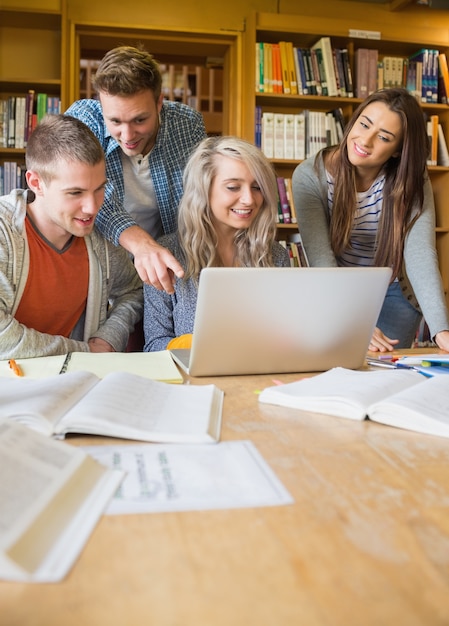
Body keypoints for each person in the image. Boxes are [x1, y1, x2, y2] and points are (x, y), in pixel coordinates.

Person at [292, 87, 449, 353]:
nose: (365, 141)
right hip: (337, 292)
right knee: (337, 371)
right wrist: (352, 321)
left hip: (393, 292)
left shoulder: (410, 178)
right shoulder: (310, 176)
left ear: (398, 150)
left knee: (386, 375)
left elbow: (419, 251)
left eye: (384, 137)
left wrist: (441, 330)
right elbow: (321, 259)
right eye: (364, 124)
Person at [65, 45, 207, 293]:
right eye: (115, 121)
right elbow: (87, 195)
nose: (127, 135)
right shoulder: (83, 119)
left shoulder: (187, 125)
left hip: (167, 269)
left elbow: (198, 198)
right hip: (99, 270)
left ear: (159, 102)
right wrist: (141, 244)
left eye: (140, 120)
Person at [0, 114, 143, 360]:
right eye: (75, 192)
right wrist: (86, 351)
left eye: (99, 189)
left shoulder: (99, 237)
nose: (92, 207)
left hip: (74, 381)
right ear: (36, 183)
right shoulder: (4, 232)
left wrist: (108, 337)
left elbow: (134, 290)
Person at [143, 135, 291, 352]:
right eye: (233, 187)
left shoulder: (275, 256)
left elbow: (286, 338)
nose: (249, 199)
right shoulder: (166, 255)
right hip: (191, 383)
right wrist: (204, 345)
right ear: (203, 189)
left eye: (257, 187)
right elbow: (154, 345)